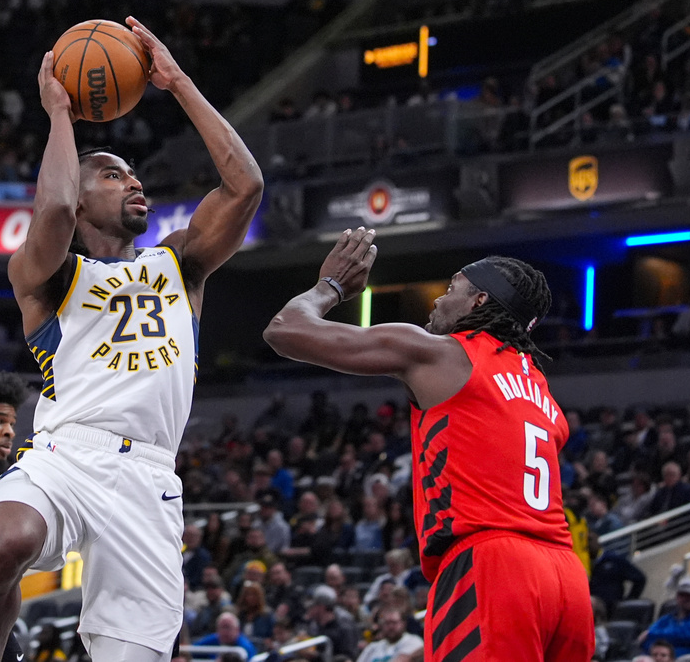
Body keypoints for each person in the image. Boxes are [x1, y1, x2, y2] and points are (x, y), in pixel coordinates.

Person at [0, 14, 263, 662]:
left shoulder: (179, 263)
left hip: (149, 478)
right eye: (112, 175)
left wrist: (177, 81)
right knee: (3, 540)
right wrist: (60, 115)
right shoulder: (47, 277)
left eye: (135, 175)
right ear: (82, 198)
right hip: (65, 455)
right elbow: (51, 211)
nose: (135, 182)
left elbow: (246, 186)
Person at [263, 230, 594, 661]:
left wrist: (332, 286)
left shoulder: (442, 354)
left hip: (492, 566)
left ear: (480, 303)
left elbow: (285, 330)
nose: (437, 300)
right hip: (567, 578)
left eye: (452, 287)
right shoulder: (543, 393)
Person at [642, 577, 690, 658]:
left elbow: (682, 635)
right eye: (682, 595)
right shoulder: (667, 619)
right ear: (677, 597)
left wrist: (652, 634)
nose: (685, 599)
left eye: (689, 595)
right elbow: (645, 641)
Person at [355, 606, 424, 662]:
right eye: (387, 623)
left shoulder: (414, 641)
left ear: (403, 623)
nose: (391, 627)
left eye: (394, 622)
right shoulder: (373, 647)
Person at [192, 613, 257, 660]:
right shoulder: (213, 639)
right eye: (221, 627)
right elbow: (192, 651)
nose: (224, 632)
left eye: (228, 627)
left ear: (237, 630)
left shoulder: (244, 647)